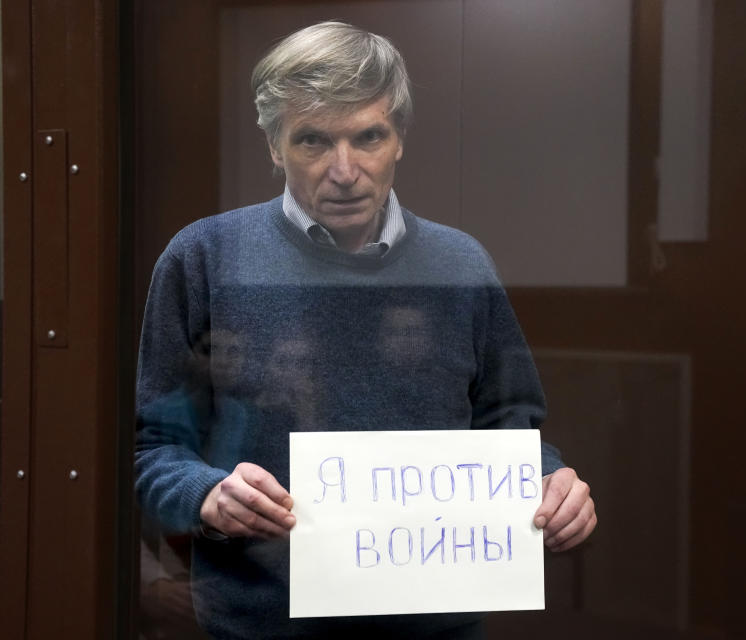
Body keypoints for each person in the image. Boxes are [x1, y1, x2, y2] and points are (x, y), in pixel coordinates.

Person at [135, 21, 596, 639]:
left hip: (437, 628)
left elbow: (511, 430)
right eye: (313, 141)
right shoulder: (205, 259)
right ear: (274, 146)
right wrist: (205, 493)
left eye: (368, 136)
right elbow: (149, 450)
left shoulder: (461, 265)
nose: (345, 170)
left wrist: (551, 484)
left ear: (399, 137)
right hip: (261, 627)